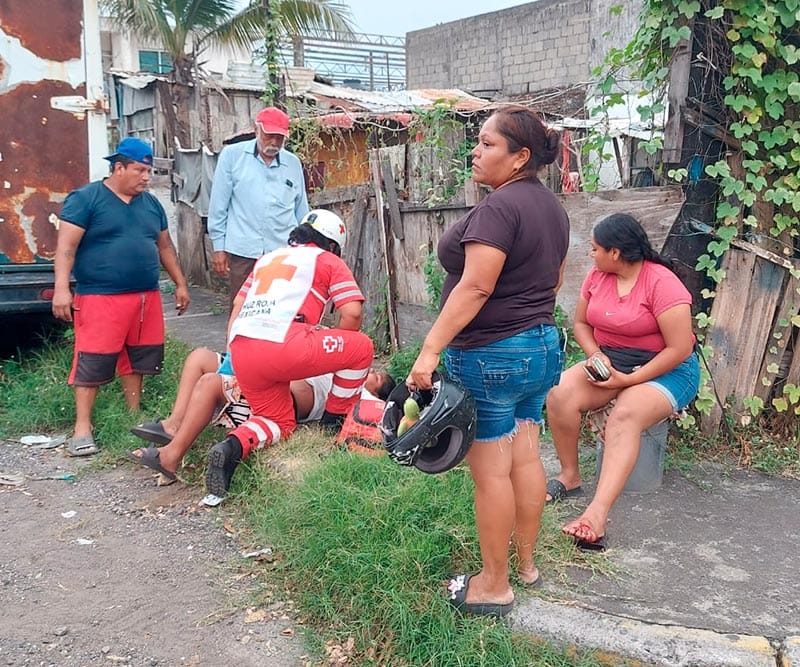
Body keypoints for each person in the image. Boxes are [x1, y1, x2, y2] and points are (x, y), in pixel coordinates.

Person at [406, 106, 569, 617]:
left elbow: (476, 285)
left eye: (487, 144)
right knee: (524, 456)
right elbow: (556, 281)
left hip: (493, 355)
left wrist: (430, 350)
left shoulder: (500, 209)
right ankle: (525, 565)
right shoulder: (553, 208)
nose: (475, 152)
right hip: (540, 347)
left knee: (492, 474)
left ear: (520, 156)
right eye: (476, 143)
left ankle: (493, 584)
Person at [545, 213, 700, 549]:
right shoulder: (597, 277)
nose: (591, 254)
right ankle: (569, 476)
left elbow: (679, 348)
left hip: (668, 370)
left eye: (595, 248)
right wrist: (595, 355)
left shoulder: (661, 282)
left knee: (625, 414)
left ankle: (595, 515)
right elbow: (582, 325)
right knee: (559, 394)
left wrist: (629, 380)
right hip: (613, 363)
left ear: (615, 252)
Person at [205, 209, 375, 499]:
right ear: (332, 245)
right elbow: (352, 312)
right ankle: (333, 422)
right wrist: (336, 351)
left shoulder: (267, 259)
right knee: (362, 348)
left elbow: (237, 304)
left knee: (278, 421)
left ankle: (232, 447)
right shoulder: (327, 259)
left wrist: (235, 349)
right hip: (288, 342)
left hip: (244, 348)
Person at [52, 137, 190, 457]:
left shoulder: (151, 204)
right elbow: (66, 248)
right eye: (140, 170)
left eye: (149, 171)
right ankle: (82, 428)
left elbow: (165, 247)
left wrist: (180, 284)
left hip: (145, 297)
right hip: (100, 297)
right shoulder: (86, 199)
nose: (146, 177)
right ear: (118, 167)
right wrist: (61, 288)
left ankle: (133, 414)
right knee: (93, 358)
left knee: (139, 357)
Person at [127, 347, 395, 482]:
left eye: (377, 376)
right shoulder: (342, 361)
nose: (372, 371)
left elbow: (379, 413)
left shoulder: (360, 393)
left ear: (376, 390)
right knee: (199, 356)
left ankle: (171, 457)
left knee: (209, 383)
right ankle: (173, 425)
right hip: (265, 376)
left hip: (276, 396)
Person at [207, 106, 310, 308]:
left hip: (283, 253)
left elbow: (301, 210)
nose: (274, 142)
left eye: (279, 138)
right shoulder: (232, 156)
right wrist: (218, 247)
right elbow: (219, 205)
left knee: (280, 311)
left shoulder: (293, 163)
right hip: (244, 253)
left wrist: (305, 250)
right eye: (269, 136)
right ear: (257, 130)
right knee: (242, 309)